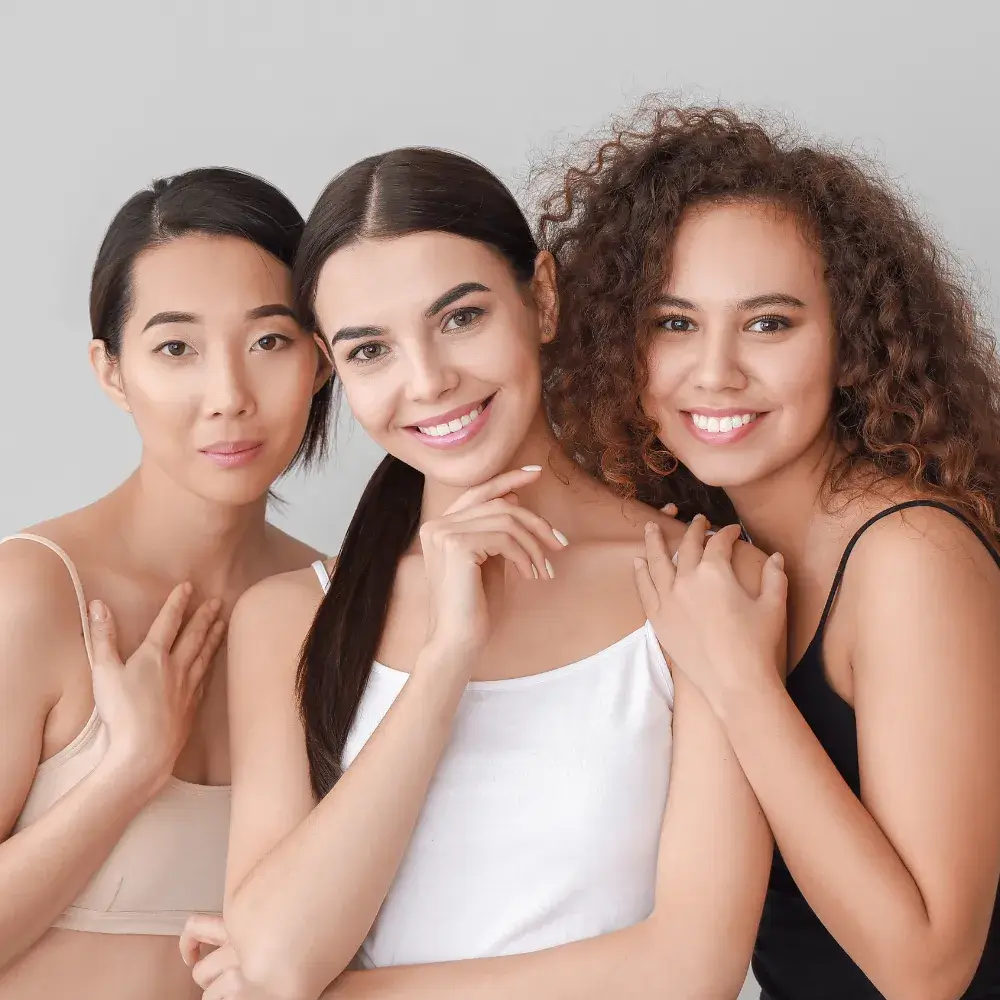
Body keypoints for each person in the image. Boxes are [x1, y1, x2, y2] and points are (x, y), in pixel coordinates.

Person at [184, 146, 772, 1000]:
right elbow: (274, 958)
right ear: (330, 367)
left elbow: (690, 971)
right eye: (370, 350)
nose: (428, 381)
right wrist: (445, 660)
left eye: (460, 318)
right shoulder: (289, 617)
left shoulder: (705, 581)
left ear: (540, 297)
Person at [540, 103, 1000, 1000]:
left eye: (768, 324)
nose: (715, 371)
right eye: (673, 324)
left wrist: (740, 681)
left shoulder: (911, 558)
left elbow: (928, 968)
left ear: (852, 345)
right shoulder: (702, 538)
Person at [0, 166, 333, 1000]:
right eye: (175, 348)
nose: (228, 396)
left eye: (268, 341)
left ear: (322, 362)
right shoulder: (35, 596)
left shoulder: (335, 604)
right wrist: (129, 772)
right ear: (111, 371)